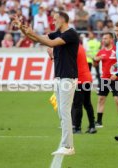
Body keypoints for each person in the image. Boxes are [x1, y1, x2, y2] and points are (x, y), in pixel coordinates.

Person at [14, 11, 79, 155]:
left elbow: (49, 43)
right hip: (60, 77)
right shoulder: (57, 33)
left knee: (65, 111)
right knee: (62, 113)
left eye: (55, 20)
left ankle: (68, 146)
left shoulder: (71, 34)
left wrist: (32, 33)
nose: (53, 22)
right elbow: (35, 39)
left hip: (68, 77)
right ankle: (66, 145)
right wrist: (22, 28)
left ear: (62, 20)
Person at [93, 33, 118, 128]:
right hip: (104, 79)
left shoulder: (117, 50)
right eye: (103, 38)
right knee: (101, 99)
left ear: (111, 39)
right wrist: (95, 59)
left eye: (105, 38)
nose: (103, 40)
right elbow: (95, 65)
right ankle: (99, 121)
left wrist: (117, 72)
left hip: (116, 78)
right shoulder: (101, 52)